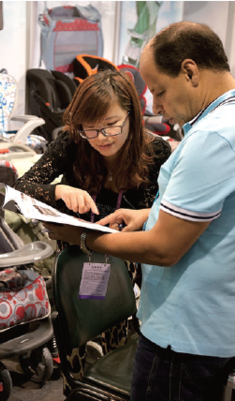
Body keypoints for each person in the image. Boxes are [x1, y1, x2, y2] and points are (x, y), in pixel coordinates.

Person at [45, 21, 235, 401]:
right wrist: (147, 215)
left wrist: (85, 237)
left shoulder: (212, 136)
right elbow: (213, 214)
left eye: (161, 91)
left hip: (181, 337)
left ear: (190, 71)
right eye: (90, 130)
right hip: (209, 327)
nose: (159, 106)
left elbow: (164, 249)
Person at [13, 69, 171, 392]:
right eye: (91, 129)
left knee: (117, 330)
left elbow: (156, 218)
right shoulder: (73, 142)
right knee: (74, 332)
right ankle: (76, 388)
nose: (101, 137)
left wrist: (143, 214)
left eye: (112, 125)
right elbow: (19, 189)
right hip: (74, 252)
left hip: (122, 256)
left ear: (132, 114)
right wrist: (57, 193)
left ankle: (107, 384)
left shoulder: (156, 153)